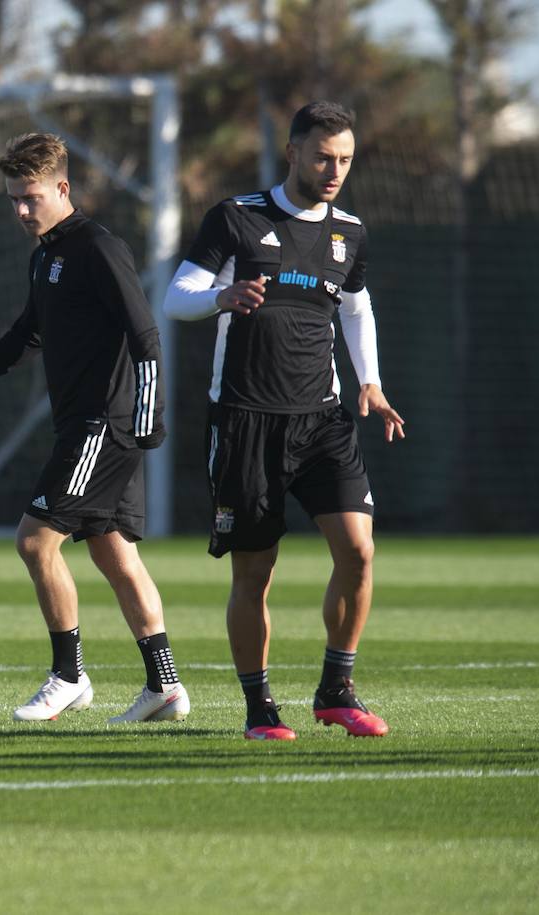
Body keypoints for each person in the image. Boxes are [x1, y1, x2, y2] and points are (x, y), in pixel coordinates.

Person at [0, 133, 188, 724]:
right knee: (114, 554)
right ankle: (165, 686)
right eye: (13, 199)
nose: (21, 210)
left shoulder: (98, 248)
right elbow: (23, 340)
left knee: (35, 541)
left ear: (63, 188)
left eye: (31, 197)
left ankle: (69, 675)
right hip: (87, 425)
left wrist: (150, 412)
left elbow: (144, 333)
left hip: (104, 425)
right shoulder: (45, 256)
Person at [163, 101, 405, 740]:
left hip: (323, 419)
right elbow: (175, 298)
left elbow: (355, 308)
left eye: (345, 159)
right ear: (293, 153)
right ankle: (260, 708)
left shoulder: (349, 231)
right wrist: (222, 296)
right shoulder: (236, 218)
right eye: (323, 157)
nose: (335, 170)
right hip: (245, 420)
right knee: (255, 572)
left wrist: (371, 382)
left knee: (358, 550)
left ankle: (336, 691)